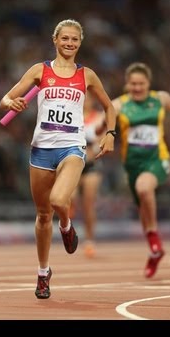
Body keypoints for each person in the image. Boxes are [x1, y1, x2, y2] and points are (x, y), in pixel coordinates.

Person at [0, 19, 116, 299]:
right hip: (41, 150)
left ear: (80, 42)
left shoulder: (86, 75)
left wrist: (111, 133)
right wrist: (10, 103)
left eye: (75, 39)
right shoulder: (41, 70)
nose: (69, 43)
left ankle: (65, 226)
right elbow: (5, 98)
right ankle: (43, 273)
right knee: (42, 216)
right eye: (65, 38)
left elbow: (109, 106)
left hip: (72, 148)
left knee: (59, 201)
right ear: (55, 39)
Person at [106, 62, 170, 279]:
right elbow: (103, 121)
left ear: (148, 83)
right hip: (132, 164)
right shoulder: (119, 105)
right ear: (127, 84)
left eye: (141, 83)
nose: (137, 87)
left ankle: (154, 241)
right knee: (143, 206)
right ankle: (154, 250)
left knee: (144, 188)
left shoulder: (161, 98)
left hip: (157, 159)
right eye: (133, 84)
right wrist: (99, 133)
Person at [69, 95, 104, 258]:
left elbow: (102, 140)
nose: (85, 101)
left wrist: (94, 150)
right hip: (73, 164)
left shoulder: (98, 117)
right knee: (70, 199)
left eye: (88, 98)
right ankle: (69, 229)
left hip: (91, 166)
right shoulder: (70, 115)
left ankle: (89, 241)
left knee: (88, 205)